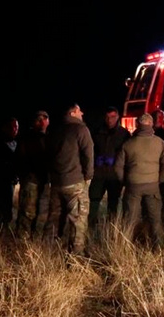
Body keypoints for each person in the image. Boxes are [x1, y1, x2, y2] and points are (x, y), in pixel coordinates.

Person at [115, 113, 164, 250]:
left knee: (130, 220)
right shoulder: (159, 142)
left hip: (133, 186)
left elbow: (118, 167)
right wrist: (160, 179)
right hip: (152, 186)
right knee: (155, 220)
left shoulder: (128, 144)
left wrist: (125, 181)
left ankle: (126, 249)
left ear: (137, 125)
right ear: (151, 125)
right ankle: (158, 249)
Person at [45, 103, 94, 254]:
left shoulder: (54, 130)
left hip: (57, 182)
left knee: (54, 218)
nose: (82, 113)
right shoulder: (81, 129)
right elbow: (88, 155)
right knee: (78, 221)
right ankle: (76, 257)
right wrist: (88, 176)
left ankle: (48, 251)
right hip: (75, 182)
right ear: (72, 113)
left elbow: (48, 155)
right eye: (80, 110)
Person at [89, 105, 130, 228]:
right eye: (107, 117)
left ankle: (111, 229)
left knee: (113, 203)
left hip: (114, 175)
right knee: (94, 200)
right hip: (99, 173)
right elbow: (90, 150)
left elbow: (127, 154)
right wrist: (96, 160)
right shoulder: (96, 132)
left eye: (112, 117)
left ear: (117, 117)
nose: (110, 120)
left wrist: (119, 166)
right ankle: (90, 227)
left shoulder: (124, 134)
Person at [15, 110, 52, 238]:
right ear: (34, 122)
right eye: (38, 120)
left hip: (45, 181)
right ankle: (22, 240)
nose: (42, 122)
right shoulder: (27, 138)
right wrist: (26, 175)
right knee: (27, 212)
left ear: (48, 121)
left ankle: (35, 241)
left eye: (44, 119)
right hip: (31, 181)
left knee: (42, 213)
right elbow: (19, 159)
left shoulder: (50, 138)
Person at [0, 116, 20, 233]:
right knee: (1, 208)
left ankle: (1, 230)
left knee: (7, 208)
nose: (15, 129)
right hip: (1, 181)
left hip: (10, 181)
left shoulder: (15, 143)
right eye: (12, 127)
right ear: (5, 128)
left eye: (17, 127)